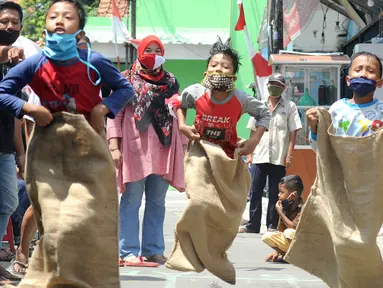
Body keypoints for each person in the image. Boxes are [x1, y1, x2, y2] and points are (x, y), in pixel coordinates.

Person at [0, 0, 134, 284]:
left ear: (79, 28)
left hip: (87, 149)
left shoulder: (93, 62)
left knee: (82, 216)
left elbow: (124, 88)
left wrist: (103, 108)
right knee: (53, 218)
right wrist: (28, 109)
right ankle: (53, 275)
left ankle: (86, 275)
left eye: (68, 17)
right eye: (53, 17)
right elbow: (3, 91)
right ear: (46, 25)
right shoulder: (36, 63)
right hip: (47, 150)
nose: (59, 21)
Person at [107, 35, 185, 266]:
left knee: (157, 201)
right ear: (140, 52)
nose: (152, 53)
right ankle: (128, 251)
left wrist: (184, 145)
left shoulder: (171, 82)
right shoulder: (125, 79)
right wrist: (114, 146)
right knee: (131, 199)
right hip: (135, 149)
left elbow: (178, 112)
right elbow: (115, 113)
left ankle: (153, 250)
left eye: (156, 49)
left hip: (164, 148)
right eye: (147, 49)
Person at [175, 37, 270, 159]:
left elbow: (264, 113)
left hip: (228, 157)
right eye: (213, 65)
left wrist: (254, 141)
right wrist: (182, 125)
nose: (218, 69)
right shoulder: (196, 92)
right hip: (198, 154)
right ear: (206, 72)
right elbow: (179, 103)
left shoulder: (241, 99)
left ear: (233, 76)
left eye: (225, 67)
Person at [239, 73, 302, 233]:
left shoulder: (290, 107)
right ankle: (253, 225)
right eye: (272, 83)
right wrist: (250, 153)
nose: (274, 87)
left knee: (276, 192)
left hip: (279, 156)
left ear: (284, 88)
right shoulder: (259, 106)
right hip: (259, 154)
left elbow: (293, 131)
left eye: (278, 85)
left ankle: (272, 225)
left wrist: (290, 154)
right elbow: (253, 130)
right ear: (267, 85)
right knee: (255, 191)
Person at [0, 0, 27, 284]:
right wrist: (8, 52)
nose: (9, 27)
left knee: (8, 203)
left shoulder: (14, 67)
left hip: (5, 148)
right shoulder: (10, 54)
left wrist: (20, 152)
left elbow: (17, 110)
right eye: (4, 21)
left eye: (14, 23)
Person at [307, 51, 383, 149]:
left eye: (371, 71)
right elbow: (320, 148)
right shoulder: (337, 109)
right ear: (348, 80)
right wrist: (314, 129)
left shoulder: (381, 110)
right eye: (358, 70)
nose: (363, 74)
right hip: (341, 164)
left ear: (379, 83)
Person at [262, 175, 304, 263]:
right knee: (267, 236)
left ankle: (298, 257)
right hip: (293, 242)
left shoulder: (303, 208)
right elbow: (281, 231)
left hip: (305, 245)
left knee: (289, 232)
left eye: (282, 192)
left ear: (293, 195)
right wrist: (277, 251)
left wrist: (280, 212)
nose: (278, 195)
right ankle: (287, 256)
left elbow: (293, 227)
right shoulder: (285, 207)